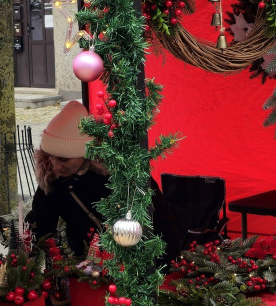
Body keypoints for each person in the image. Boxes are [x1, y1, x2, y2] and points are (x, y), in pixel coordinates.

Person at [26, 100, 181, 262]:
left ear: (86, 153)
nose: (56, 167)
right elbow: (41, 226)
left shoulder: (123, 175)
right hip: (85, 267)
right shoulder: (53, 180)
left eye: (64, 160)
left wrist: (162, 268)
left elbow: (163, 225)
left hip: (133, 264)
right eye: (51, 158)